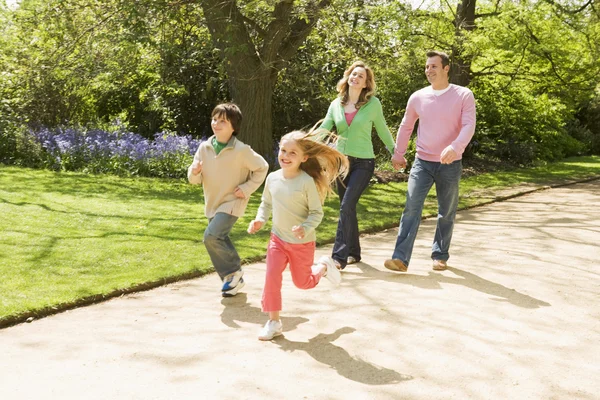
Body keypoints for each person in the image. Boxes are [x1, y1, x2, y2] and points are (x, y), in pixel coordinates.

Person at [247, 129, 349, 341]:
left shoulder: (305, 182)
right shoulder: (272, 178)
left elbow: (316, 212)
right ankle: (274, 322)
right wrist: (260, 219)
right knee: (271, 277)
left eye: (292, 153)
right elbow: (265, 203)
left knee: (303, 283)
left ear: (304, 158)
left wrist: (305, 227)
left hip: (302, 243)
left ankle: (323, 267)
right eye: (283, 150)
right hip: (278, 239)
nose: (285, 156)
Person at [384, 50, 476, 273]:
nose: (428, 70)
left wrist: (455, 147)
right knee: (411, 208)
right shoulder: (418, 96)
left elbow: (468, 125)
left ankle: (440, 255)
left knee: (446, 211)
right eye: (426, 67)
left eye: (433, 66)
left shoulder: (463, 94)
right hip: (422, 162)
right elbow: (407, 126)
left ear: (446, 68)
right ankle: (400, 258)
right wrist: (399, 153)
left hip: (450, 164)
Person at [320, 61, 396, 270]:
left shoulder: (373, 104)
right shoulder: (336, 104)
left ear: (366, 84)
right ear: (348, 77)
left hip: (364, 162)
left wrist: (395, 152)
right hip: (341, 163)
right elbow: (325, 128)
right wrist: (306, 145)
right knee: (348, 208)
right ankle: (354, 253)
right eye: (353, 74)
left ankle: (338, 257)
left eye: (360, 76)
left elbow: (382, 129)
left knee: (346, 206)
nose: (356, 78)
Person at [188, 103, 269, 297]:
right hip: (213, 203)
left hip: (233, 202)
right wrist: (194, 171)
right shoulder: (204, 148)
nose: (216, 123)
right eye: (214, 119)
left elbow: (262, 167)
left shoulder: (241, 150)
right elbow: (194, 180)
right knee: (218, 237)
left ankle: (233, 272)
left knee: (211, 236)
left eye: (222, 121)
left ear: (234, 126)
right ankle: (233, 281)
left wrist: (247, 188)